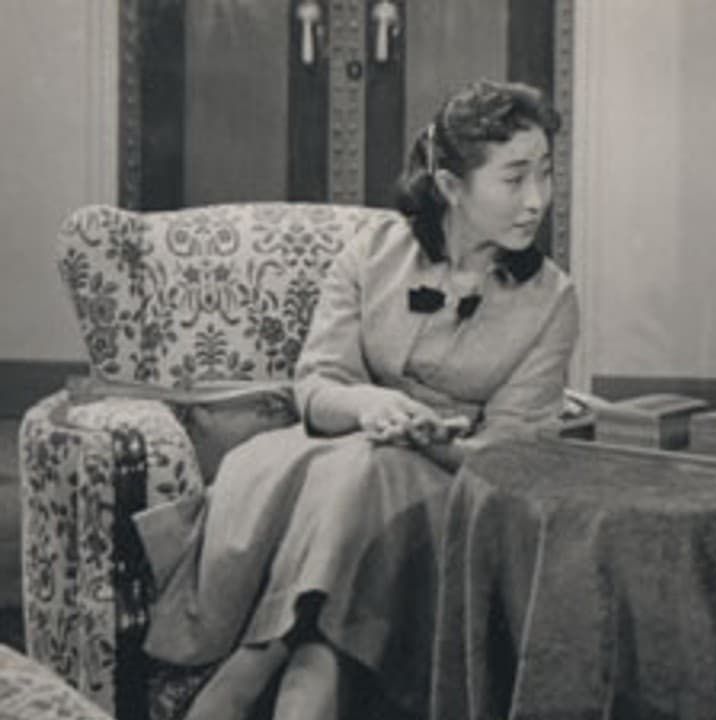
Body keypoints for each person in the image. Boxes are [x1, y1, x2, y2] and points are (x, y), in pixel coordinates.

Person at [132, 79, 577, 719]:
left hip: (442, 487)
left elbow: (513, 452)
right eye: (514, 178)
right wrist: (370, 407)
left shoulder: (553, 301)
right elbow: (317, 383)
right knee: (362, 472)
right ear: (451, 186)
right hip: (320, 460)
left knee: (376, 475)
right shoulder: (371, 252)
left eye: (545, 174)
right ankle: (291, 675)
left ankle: (250, 669)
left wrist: (433, 440)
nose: (537, 200)